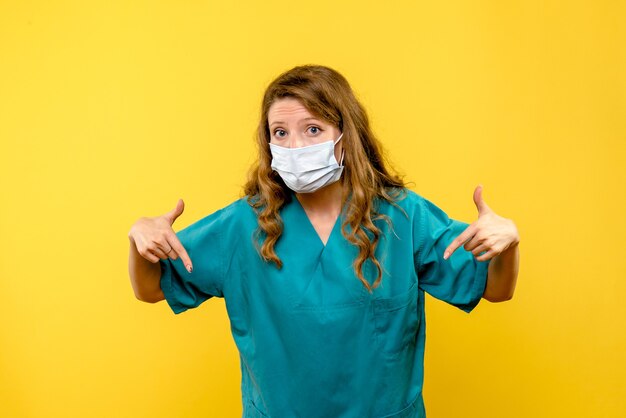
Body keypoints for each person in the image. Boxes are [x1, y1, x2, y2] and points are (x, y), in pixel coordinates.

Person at [127, 64, 520, 418]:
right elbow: (151, 288)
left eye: (312, 129)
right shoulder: (242, 224)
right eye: (280, 133)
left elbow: (495, 289)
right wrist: (141, 241)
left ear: (346, 136)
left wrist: (508, 245)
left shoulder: (403, 216)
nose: (295, 147)